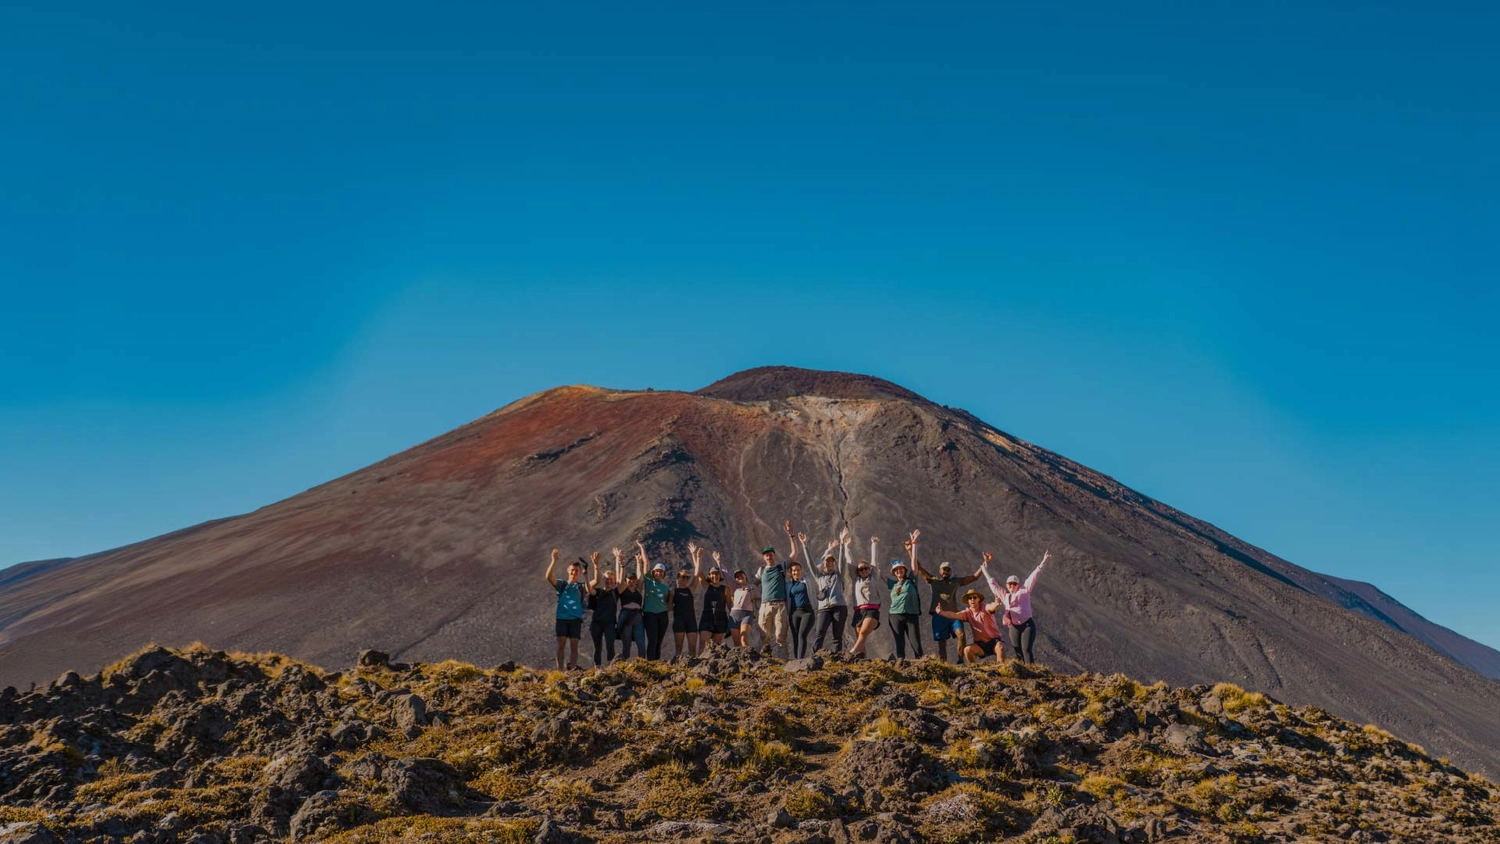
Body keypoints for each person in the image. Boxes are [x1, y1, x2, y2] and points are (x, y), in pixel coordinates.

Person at [911, 533, 983, 663]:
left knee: (961, 634)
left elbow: (974, 577)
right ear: (940, 571)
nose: (946, 572)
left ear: (950, 572)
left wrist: (984, 565)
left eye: (948, 570)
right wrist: (911, 549)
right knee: (942, 642)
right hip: (938, 616)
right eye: (944, 570)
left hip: (953, 615)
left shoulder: (955, 581)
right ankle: (944, 665)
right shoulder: (933, 580)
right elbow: (918, 568)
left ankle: (960, 661)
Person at [984, 549, 1051, 664]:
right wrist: (984, 569)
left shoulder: (1024, 590)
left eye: (1014, 584)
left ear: (1017, 585)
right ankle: (1022, 673)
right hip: (1014, 627)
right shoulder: (1005, 596)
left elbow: (1034, 575)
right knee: (1018, 650)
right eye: (1009, 584)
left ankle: (1031, 672)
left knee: (1026, 649)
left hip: (1027, 625)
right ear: (1006, 585)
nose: (1012, 586)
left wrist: (1044, 561)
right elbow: (992, 584)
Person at [755, 520, 797, 657]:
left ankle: (783, 663)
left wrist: (791, 535)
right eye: (766, 555)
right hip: (765, 605)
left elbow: (794, 553)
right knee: (764, 637)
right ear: (764, 557)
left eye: (771, 554)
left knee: (780, 636)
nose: (769, 556)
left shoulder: (781, 567)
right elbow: (752, 585)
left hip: (780, 605)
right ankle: (764, 663)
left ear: (774, 555)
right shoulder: (761, 571)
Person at [934, 586, 1006, 664]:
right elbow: (955, 615)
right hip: (980, 645)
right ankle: (976, 670)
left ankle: (1001, 669)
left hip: (993, 641)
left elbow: (992, 607)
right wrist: (941, 612)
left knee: (1000, 647)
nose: (972, 600)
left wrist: (997, 604)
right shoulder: (968, 613)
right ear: (968, 601)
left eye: (974, 597)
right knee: (967, 650)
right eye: (970, 598)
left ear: (978, 599)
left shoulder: (985, 607)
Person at [544, 548, 587, 670]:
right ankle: (560, 670)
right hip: (562, 618)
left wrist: (594, 567)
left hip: (576, 619)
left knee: (574, 645)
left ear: (579, 573)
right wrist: (554, 561)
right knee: (561, 643)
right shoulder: (562, 584)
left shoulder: (581, 587)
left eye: (576, 571)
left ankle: (573, 669)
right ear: (568, 571)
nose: (574, 573)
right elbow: (548, 576)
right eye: (572, 570)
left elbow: (596, 582)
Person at [809, 530, 849, 653]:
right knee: (819, 633)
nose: (830, 563)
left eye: (832, 561)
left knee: (837, 636)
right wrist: (805, 546)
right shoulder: (819, 576)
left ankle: (837, 658)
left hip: (839, 608)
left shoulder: (839, 575)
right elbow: (811, 564)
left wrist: (842, 543)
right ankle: (815, 656)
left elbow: (842, 561)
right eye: (827, 561)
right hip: (824, 608)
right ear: (824, 564)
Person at [888, 531, 924, 659]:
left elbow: (914, 563)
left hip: (911, 614)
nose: (899, 571)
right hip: (895, 615)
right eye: (896, 570)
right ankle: (901, 664)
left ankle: (921, 664)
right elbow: (877, 573)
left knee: (915, 642)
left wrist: (914, 545)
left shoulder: (912, 579)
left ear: (904, 570)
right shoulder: (892, 584)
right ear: (894, 572)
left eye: (901, 569)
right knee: (900, 642)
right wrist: (873, 545)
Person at [637, 540, 672, 660]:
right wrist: (642, 547)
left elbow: (668, 601)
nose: (659, 573)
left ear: (663, 574)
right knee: (652, 639)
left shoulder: (665, 587)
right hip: (649, 613)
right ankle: (651, 662)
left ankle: (657, 663)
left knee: (659, 641)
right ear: (653, 573)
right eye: (657, 571)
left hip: (662, 614)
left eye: (661, 572)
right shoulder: (648, 581)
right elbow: (646, 563)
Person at [848, 536, 882, 658]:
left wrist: (874, 544)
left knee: (863, 633)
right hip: (858, 611)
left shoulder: (874, 577)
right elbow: (850, 565)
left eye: (866, 568)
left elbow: (874, 561)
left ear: (869, 569)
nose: (863, 570)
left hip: (872, 610)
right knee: (860, 638)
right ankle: (862, 661)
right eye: (861, 569)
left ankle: (851, 653)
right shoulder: (856, 580)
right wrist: (847, 548)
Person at [669, 543, 702, 659]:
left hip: (691, 620)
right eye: (682, 577)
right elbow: (668, 607)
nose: (685, 579)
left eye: (687, 577)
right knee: (678, 647)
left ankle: (693, 668)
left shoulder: (690, 589)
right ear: (678, 578)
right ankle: (678, 668)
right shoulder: (673, 592)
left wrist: (696, 556)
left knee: (692, 647)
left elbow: (697, 575)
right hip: (679, 620)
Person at [614, 547, 647, 660]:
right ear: (626, 580)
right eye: (630, 580)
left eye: (633, 580)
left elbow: (640, 576)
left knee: (641, 641)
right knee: (626, 643)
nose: (632, 581)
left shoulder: (638, 588)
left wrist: (639, 562)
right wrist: (620, 563)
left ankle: (642, 662)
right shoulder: (623, 588)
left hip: (637, 615)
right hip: (626, 615)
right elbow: (620, 577)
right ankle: (625, 663)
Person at [585, 551, 617, 668]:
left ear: (614, 581)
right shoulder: (598, 592)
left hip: (610, 623)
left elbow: (622, 579)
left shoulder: (615, 593)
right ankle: (597, 668)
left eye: (611, 579)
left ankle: (610, 666)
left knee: (610, 644)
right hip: (597, 623)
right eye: (607, 579)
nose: (608, 581)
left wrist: (619, 560)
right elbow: (590, 590)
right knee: (597, 646)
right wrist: (595, 566)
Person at [786, 540, 816, 659]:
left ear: (801, 571)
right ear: (790, 572)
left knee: (802, 635)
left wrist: (804, 545)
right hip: (794, 612)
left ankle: (800, 660)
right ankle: (796, 659)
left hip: (807, 611)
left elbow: (815, 565)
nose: (796, 572)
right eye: (793, 570)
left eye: (798, 570)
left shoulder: (807, 579)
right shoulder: (788, 585)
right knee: (795, 636)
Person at [697, 549, 732, 648]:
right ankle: (701, 662)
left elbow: (730, 605)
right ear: (709, 575)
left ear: (719, 575)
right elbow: (698, 573)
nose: (714, 576)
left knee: (716, 645)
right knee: (703, 643)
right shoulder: (707, 586)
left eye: (716, 574)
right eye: (712, 574)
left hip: (721, 617)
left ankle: (713, 663)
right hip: (707, 616)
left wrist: (733, 620)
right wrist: (698, 557)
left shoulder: (725, 589)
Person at [729, 568, 759, 648]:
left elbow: (760, 598)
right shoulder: (734, 588)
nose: (740, 577)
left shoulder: (752, 587)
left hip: (747, 614)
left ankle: (750, 657)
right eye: (737, 576)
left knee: (743, 639)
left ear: (745, 575)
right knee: (736, 643)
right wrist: (719, 562)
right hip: (734, 614)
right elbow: (726, 575)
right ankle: (739, 660)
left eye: (741, 575)